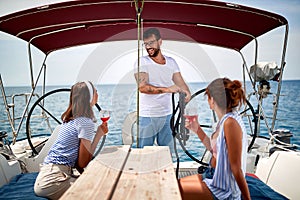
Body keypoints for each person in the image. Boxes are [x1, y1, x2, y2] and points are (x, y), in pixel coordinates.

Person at [178, 78, 251, 200]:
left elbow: (236, 168)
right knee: (174, 184)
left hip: (223, 189)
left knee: (173, 191)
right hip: (212, 175)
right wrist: (197, 129)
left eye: (208, 98)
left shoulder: (230, 123)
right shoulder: (224, 121)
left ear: (212, 100)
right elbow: (215, 151)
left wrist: (247, 199)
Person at [34, 81, 108, 199]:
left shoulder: (71, 119)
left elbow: (79, 164)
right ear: (88, 97)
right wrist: (98, 135)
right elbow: (83, 163)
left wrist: (98, 134)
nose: (97, 93)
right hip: (53, 181)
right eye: (95, 91)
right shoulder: (86, 122)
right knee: (103, 190)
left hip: (46, 176)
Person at [134, 27, 191, 154]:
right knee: (143, 154)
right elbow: (142, 87)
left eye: (152, 43)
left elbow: (181, 83)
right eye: (146, 44)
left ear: (160, 42)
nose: (149, 47)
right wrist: (168, 89)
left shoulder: (171, 62)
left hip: (167, 116)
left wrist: (187, 94)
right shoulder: (142, 62)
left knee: (167, 154)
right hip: (147, 117)